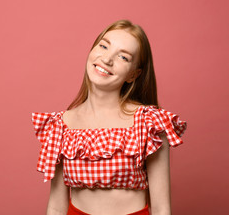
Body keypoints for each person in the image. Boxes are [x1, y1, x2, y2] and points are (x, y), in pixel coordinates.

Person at [31, 19, 187, 215]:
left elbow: (161, 208)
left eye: (123, 57)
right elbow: (56, 206)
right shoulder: (60, 125)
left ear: (133, 75)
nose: (107, 59)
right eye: (103, 46)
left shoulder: (149, 123)